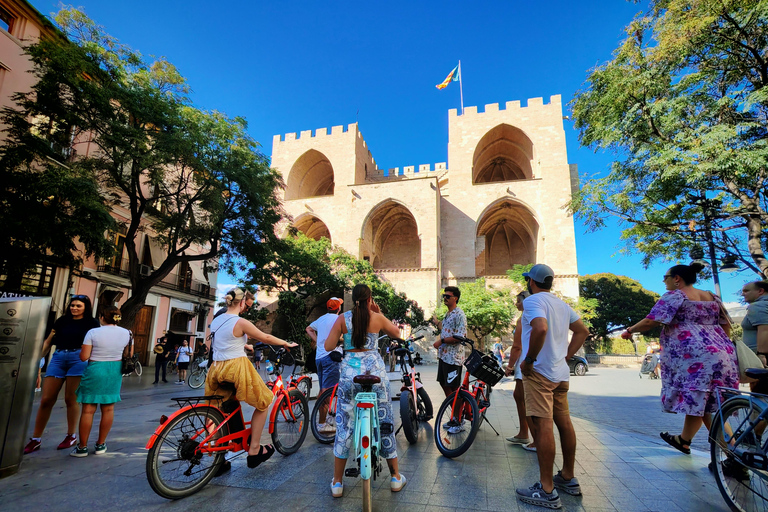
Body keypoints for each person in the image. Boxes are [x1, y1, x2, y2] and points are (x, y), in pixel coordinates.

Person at [621, 263, 738, 456]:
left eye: (666, 277)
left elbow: (652, 320)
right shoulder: (713, 297)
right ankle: (685, 441)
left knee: (699, 400)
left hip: (695, 357)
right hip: (722, 354)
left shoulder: (676, 296)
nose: (664, 281)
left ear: (677, 279)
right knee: (704, 402)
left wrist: (629, 330)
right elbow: (726, 325)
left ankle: (732, 454)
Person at [516, 264, 590, 509]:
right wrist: (566, 357)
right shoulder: (561, 304)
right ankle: (567, 477)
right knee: (564, 422)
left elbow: (541, 328)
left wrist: (529, 360)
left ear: (531, 282)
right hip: (560, 374)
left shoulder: (533, 301)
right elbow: (582, 331)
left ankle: (547, 489)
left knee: (543, 424)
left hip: (539, 373)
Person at [324, 284, 406, 498]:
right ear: (370, 298)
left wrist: (344, 338)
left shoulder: (342, 318)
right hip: (376, 374)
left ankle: (337, 482)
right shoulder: (376, 318)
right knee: (385, 421)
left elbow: (328, 346)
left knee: (344, 425)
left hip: (350, 376)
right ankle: (396, 477)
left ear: (353, 299)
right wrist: (379, 314)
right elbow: (398, 334)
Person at [206, 288, 296, 468]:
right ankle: (254, 449)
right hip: (235, 367)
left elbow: (223, 342)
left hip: (216, 368)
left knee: (216, 407)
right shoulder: (240, 322)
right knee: (264, 401)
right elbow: (265, 336)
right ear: (241, 303)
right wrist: (286, 343)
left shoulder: (216, 321)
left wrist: (244, 346)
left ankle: (215, 450)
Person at [24, 295, 99, 454]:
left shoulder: (91, 323)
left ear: (85, 307)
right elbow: (48, 341)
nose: (74, 308)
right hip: (58, 357)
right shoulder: (61, 321)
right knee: (46, 399)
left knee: (70, 399)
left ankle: (71, 436)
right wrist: (37, 361)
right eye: (72, 305)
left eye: (78, 305)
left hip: (78, 358)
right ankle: (36, 439)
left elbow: (95, 345)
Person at [70, 306, 132, 457]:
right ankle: (100, 445)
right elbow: (128, 353)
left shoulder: (93, 332)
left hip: (96, 368)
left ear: (102, 317)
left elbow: (83, 357)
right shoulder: (127, 333)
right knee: (108, 409)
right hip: (115, 371)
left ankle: (82, 447)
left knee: (88, 410)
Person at [305, 297, 344, 435]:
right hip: (330, 357)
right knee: (328, 392)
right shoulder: (338, 319)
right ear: (338, 308)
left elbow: (308, 329)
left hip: (319, 358)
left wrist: (319, 341)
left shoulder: (321, 319)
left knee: (324, 390)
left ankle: (323, 422)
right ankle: (323, 424)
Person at [432, 286, 467, 434]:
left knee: (454, 390)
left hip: (453, 358)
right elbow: (446, 328)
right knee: (445, 385)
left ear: (455, 298)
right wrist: (437, 322)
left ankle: (458, 420)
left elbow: (460, 336)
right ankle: (455, 416)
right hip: (444, 356)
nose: (445, 298)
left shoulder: (459, 314)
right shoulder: (449, 314)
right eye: (444, 296)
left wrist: (441, 341)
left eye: (448, 296)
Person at [505, 291, 535, 451]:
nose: (516, 304)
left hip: (524, 363)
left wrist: (509, 366)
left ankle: (535, 438)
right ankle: (523, 432)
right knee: (519, 396)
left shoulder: (523, 319)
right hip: (529, 362)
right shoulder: (537, 317)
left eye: (518, 301)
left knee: (524, 399)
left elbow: (517, 346)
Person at [742, 281, 768, 365]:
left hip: (760, 357)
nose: (743, 294)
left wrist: (762, 354)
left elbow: (765, 330)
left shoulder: (757, 306)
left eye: (746, 291)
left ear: (760, 291)